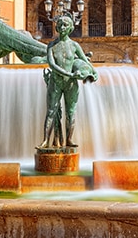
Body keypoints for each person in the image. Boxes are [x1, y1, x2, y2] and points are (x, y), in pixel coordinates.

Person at [40, 14, 97, 149]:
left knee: (70, 112)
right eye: (60, 24)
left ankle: (69, 139)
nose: (62, 27)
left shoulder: (74, 45)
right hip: (56, 82)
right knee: (51, 111)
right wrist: (69, 73)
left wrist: (93, 72)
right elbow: (52, 65)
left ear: (71, 28)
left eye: (65, 24)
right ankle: (45, 140)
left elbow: (84, 60)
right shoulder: (52, 46)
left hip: (71, 84)